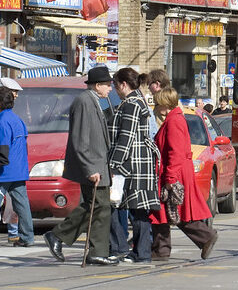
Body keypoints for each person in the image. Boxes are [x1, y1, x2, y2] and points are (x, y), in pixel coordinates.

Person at [44, 66, 118, 266]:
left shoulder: (93, 101)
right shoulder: (85, 102)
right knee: (98, 206)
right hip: (92, 166)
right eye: (107, 85)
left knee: (96, 206)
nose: (110, 89)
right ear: (97, 85)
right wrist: (90, 168)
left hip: (98, 165)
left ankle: (92, 250)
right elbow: (80, 140)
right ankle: (60, 237)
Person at [150, 87, 218, 261]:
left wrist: (170, 178)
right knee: (167, 211)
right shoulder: (175, 119)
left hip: (175, 173)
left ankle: (204, 236)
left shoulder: (174, 121)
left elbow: (176, 152)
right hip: (176, 171)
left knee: (172, 210)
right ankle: (161, 249)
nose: (155, 107)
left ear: (164, 105)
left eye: (157, 103)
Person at [109, 67, 161, 264]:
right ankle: (138, 251)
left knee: (135, 208)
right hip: (138, 162)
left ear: (123, 85)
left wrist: (114, 165)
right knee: (138, 209)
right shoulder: (137, 101)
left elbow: (126, 137)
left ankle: (137, 251)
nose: (114, 89)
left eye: (115, 85)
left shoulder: (131, 104)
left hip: (134, 164)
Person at [0, 86, 33, 247]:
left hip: (4, 171)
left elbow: (3, 147)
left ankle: (26, 236)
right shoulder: (17, 119)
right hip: (19, 169)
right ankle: (27, 237)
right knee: (22, 205)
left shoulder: (2, 120)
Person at [0, 77, 23, 244]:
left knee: (11, 203)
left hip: (8, 164)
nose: (16, 96)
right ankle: (14, 231)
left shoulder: (9, 114)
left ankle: (13, 231)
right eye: (14, 92)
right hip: (9, 163)